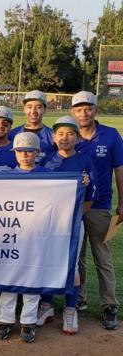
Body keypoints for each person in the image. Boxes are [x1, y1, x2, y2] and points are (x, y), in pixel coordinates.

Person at [37, 116, 97, 335]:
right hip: (48, 223)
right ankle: (47, 304)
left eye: (70, 133)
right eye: (60, 133)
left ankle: (71, 309)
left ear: (78, 137)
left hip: (73, 222)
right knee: (46, 261)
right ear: (53, 137)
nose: (64, 138)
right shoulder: (46, 161)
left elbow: (90, 198)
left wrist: (72, 218)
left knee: (71, 263)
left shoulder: (85, 161)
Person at [71, 91, 123, 331]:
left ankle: (109, 305)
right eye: (79, 108)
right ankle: (79, 299)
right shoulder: (68, 136)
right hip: (74, 209)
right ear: (73, 112)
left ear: (95, 110)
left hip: (102, 208)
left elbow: (120, 171)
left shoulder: (111, 135)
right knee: (77, 258)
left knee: (103, 259)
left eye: (88, 108)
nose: (84, 112)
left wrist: (122, 204)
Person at [0, 132, 50, 343]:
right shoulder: (5, 177)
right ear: (14, 153)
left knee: (32, 278)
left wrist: (79, 182)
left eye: (29, 151)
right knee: (9, 277)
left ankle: (28, 322)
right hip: (11, 235)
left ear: (37, 152)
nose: (24, 155)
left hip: (37, 235)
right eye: (20, 151)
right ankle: (6, 320)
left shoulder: (48, 176)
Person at [9, 90, 54, 162]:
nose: (33, 111)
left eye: (38, 107)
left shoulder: (52, 135)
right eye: (29, 107)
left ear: (45, 110)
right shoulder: (12, 134)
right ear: (24, 109)